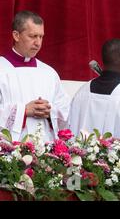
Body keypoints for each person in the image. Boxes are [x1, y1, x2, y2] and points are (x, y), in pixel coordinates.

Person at [0, 10, 70, 142]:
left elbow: (65, 111)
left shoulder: (49, 73)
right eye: (33, 36)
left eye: (41, 37)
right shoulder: (2, 69)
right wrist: (23, 111)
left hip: (45, 149)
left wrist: (50, 111)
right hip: (9, 152)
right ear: (16, 35)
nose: (38, 43)